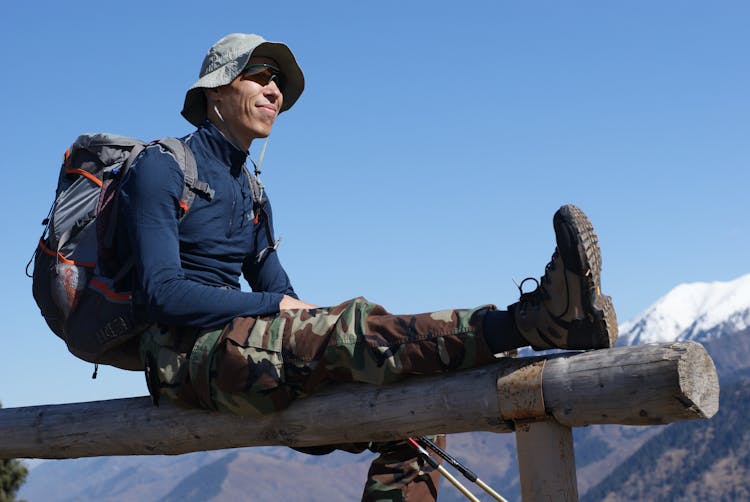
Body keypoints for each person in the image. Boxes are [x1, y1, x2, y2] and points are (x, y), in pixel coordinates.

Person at [117, 33, 617, 501]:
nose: (274, 91)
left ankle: (543, 321)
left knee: (419, 405)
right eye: (260, 75)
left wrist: (320, 326)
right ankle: (534, 322)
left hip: (238, 351)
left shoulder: (251, 192)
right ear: (215, 93)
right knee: (349, 329)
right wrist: (300, 316)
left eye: (278, 84)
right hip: (182, 357)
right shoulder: (163, 166)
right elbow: (162, 292)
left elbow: (285, 298)